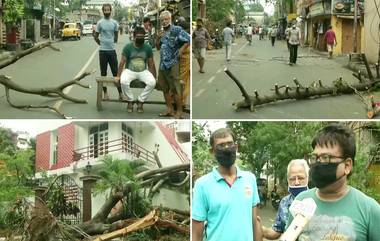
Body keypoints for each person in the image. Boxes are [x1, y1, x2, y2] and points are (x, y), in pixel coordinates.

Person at [286, 124, 380, 240]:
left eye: (326, 158)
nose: (318, 163)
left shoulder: (369, 210)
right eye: (315, 157)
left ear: (347, 165)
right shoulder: (301, 200)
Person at [192, 128, 263, 241]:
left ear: (236, 147)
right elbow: (196, 234)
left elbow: (254, 222)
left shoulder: (250, 179)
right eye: (221, 145)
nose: (226, 148)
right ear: (212, 151)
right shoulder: (202, 185)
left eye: (230, 144)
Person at [260, 159, 310, 239]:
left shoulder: (317, 199)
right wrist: (261, 229)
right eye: (292, 179)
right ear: (288, 180)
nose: (297, 182)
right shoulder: (284, 202)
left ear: (307, 178)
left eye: (300, 178)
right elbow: (277, 230)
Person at [156, 10, 190, 119]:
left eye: (166, 19)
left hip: (173, 63)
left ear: (170, 19)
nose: (164, 21)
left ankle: (179, 112)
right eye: (162, 20)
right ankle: (169, 109)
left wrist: (181, 50)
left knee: (176, 89)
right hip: (162, 64)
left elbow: (188, 39)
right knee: (164, 88)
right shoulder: (161, 32)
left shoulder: (177, 30)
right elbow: (157, 47)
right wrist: (157, 37)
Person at [115, 27, 156, 113]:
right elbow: (122, 62)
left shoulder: (148, 48)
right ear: (134, 37)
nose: (140, 38)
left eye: (142, 37)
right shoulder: (128, 47)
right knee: (123, 81)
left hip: (143, 71)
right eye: (138, 36)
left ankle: (140, 101)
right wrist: (118, 76)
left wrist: (154, 77)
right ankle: (130, 101)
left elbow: (151, 63)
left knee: (152, 82)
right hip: (129, 71)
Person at [94, 3, 123, 100]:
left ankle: (120, 93)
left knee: (116, 73)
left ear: (111, 11)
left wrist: (111, 43)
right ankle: (105, 93)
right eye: (105, 10)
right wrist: (101, 44)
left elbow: (116, 36)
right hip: (102, 52)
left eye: (108, 10)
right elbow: (95, 36)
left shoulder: (114, 23)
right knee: (103, 73)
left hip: (112, 51)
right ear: (103, 11)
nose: (107, 12)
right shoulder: (100, 23)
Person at [177, 16, 190, 105]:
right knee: (182, 83)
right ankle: (180, 102)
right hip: (180, 64)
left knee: (182, 83)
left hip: (185, 64)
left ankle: (180, 102)